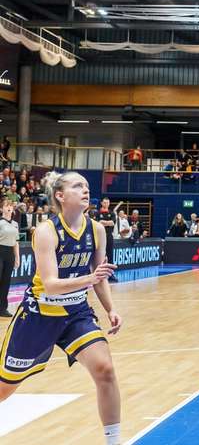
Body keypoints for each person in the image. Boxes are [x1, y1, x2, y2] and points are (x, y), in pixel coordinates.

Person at [0, 172, 122, 444]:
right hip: (38, 315)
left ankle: (114, 441)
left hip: (76, 313)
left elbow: (99, 275)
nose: (85, 190)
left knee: (105, 370)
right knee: (4, 389)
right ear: (60, 195)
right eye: (78, 186)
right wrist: (90, 279)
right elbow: (52, 284)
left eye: (87, 186)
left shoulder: (97, 229)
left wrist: (110, 309)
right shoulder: (46, 231)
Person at [0, 200, 19, 317]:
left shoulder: (15, 224)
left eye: (11, 206)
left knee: (6, 282)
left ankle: (2, 308)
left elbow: (16, 242)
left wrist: (17, 257)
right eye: (6, 206)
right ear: (2, 209)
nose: (9, 208)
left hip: (10, 254)